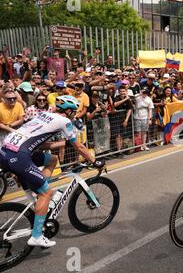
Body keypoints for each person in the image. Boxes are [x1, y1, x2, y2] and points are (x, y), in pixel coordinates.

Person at [0, 96, 105, 247]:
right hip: (19, 156)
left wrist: (65, 142)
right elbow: (80, 147)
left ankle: (40, 193)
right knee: (46, 193)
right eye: (73, 111)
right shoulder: (65, 121)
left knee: (52, 160)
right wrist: (94, 161)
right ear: (68, 111)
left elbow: (41, 145)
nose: (74, 114)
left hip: (5, 152)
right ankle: (37, 235)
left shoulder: (42, 115)